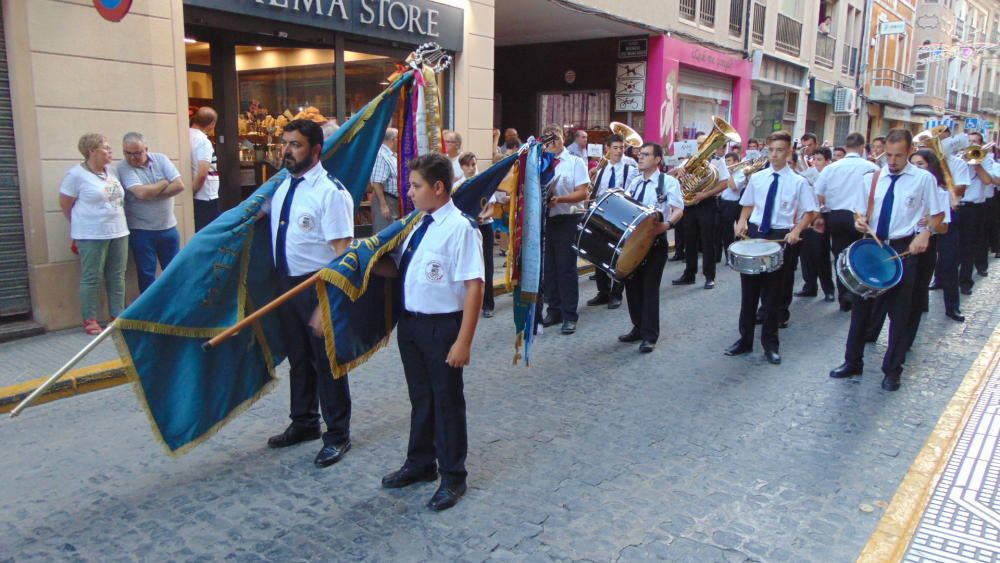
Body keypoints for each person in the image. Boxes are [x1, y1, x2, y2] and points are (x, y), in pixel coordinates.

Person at [379, 153, 484, 512]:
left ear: (438, 187)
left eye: (415, 186)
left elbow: (474, 286)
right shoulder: (416, 225)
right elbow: (403, 270)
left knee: (446, 402)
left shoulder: (461, 228)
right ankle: (420, 463)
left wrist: (463, 341)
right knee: (421, 398)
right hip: (412, 324)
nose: (409, 192)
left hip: (442, 327)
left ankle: (453, 475)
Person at [264, 120, 355, 468]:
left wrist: (327, 304)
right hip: (286, 284)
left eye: (295, 145)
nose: (286, 150)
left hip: (317, 286)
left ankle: (337, 434)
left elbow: (343, 253)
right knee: (299, 359)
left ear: (315, 150)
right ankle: (303, 422)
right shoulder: (284, 186)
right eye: (284, 143)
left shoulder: (330, 192)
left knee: (328, 364)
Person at [829, 129, 946, 391]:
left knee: (899, 314)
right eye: (888, 155)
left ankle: (893, 370)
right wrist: (859, 222)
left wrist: (925, 233)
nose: (892, 161)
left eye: (898, 156)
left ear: (909, 153)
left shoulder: (923, 179)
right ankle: (852, 362)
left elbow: (938, 215)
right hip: (873, 247)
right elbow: (860, 212)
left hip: (903, 248)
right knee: (861, 308)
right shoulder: (873, 177)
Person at [726, 131, 818, 365]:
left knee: (771, 296)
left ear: (788, 153)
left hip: (779, 236)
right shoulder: (758, 178)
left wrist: (796, 231)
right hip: (756, 233)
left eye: (779, 150)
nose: (775, 155)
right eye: (771, 150)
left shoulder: (798, 182)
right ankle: (744, 340)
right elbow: (748, 204)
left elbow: (810, 213)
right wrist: (741, 222)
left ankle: (770, 344)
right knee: (749, 292)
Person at [59, 133, 129, 335]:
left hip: (118, 230)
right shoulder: (76, 175)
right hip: (91, 233)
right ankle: (90, 319)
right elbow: (65, 204)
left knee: (117, 275)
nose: (110, 152)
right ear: (92, 151)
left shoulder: (112, 172)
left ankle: (118, 315)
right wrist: (78, 226)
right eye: (106, 148)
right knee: (92, 276)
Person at [618, 143, 684, 353]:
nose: (640, 157)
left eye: (646, 155)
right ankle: (637, 327)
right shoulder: (635, 183)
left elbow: (678, 209)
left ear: (657, 160)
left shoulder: (669, 182)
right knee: (632, 287)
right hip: (634, 242)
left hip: (655, 242)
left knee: (649, 289)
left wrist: (667, 225)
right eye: (640, 154)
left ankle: (649, 335)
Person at [813, 132, 880, 311]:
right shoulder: (872, 167)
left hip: (837, 215)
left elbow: (818, 192)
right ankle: (858, 292)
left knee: (840, 256)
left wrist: (826, 206)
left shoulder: (832, 168)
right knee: (860, 255)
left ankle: (844, 295)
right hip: (862, 216)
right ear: (862, 147)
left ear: (846, 146)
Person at [117, 132, 185, 293]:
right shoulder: (123, 167)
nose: (133, 157)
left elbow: (180, 185)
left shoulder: (161, 159)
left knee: (174, 271)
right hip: (142, 230)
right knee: (146, 273)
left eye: (137, 153)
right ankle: (150, 313)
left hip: (168, 227)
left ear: (146, 149)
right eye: (128, 153)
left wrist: (151, 194)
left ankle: (174, 307)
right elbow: (141, 193)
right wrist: (163, 183)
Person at [541, 124, 590, 334]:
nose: (553, 143)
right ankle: (554, 310)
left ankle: (570, 315)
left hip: (568, 218)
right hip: (546, 220)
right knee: (549, 269)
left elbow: (583, 193)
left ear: (563, 139)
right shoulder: (540, 162)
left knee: (566, 269)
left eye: (556, 138)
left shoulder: (575, 162)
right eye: (548, 140)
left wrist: (560, 198)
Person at [904, 150, 955, 345]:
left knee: (917, 293)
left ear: (930, 167)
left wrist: (930, 224)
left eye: (921, 164)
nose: (917, 168)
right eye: (913, 164)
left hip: (926, 244)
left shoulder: (940, 192)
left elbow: (944, 228)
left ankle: (907, 338)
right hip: (904, 241)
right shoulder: (904, 187)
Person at [673, 133, 730, 289]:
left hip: (707, 204)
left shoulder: (717, 162)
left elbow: (725, 183)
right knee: (689, 240)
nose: (701, 146)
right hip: (690, 204)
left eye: (703, 143)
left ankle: (709, 276)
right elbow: (672, 175)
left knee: (708, 242)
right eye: (698, 143)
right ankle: (689, 274)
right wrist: (680, 173)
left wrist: (705, 194)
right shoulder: (688, 160)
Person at [586, 133, 635, 309]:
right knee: (599, 253)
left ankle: (616, 293)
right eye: (615, 148)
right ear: (607, 149)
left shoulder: (631, 167)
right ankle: (603, 292)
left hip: (622, 214)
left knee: (618, 255)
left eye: (622, 148)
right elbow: (596, 192)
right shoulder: (602, 169)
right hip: (603, 213)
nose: (619, 151)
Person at [454, 152, 497, 318]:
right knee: (467, 266)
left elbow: (492, 208)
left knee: (486, 266)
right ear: (462, 166)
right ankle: (467, 303)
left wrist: (483, 217)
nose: (472, 168)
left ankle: (488, 304)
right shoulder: (458, 186)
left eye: (474, 164)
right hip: (466, 230)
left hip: (484, 227)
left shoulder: (484, 183)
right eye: (468, 165)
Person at [795, 147, 835, 301]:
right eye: (815, 159)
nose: (816, 163)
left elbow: (829, 200)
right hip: (806, 216)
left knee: (821, 253)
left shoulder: (830, 175)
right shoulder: (807, 175)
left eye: (819, 160)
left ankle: (828, 289)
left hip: (822, 215)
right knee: (805, 253)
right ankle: (809, 286)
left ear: (827, 162)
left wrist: (818, 188)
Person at [190, 107, 221, 231]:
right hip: (205, 195)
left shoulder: (186, 135)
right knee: (207, 230)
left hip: (197, 194)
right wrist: (192, 192)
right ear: (212, 124)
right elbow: (203, 173)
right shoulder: (203, 141)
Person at [369, 127, 399, 234]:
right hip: (386, 199)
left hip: (393, 200)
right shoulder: (381, 155)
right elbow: (377, 182)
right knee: (384, 233)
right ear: (393, 139)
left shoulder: (392, 155)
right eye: (398, 138)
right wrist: (383, 205)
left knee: (393, 233)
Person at [719, 151, 745, 263]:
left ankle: (733, 255)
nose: (727, 164)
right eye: (726, 162)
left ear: (737, 162)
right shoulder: (725, 172)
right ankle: (725, 256)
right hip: (723, 202)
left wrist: (729, 174)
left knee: (731, 232)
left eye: (729, 161)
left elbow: (734, 187)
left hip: (733, 204)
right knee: (724, 231)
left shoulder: (741, 173)